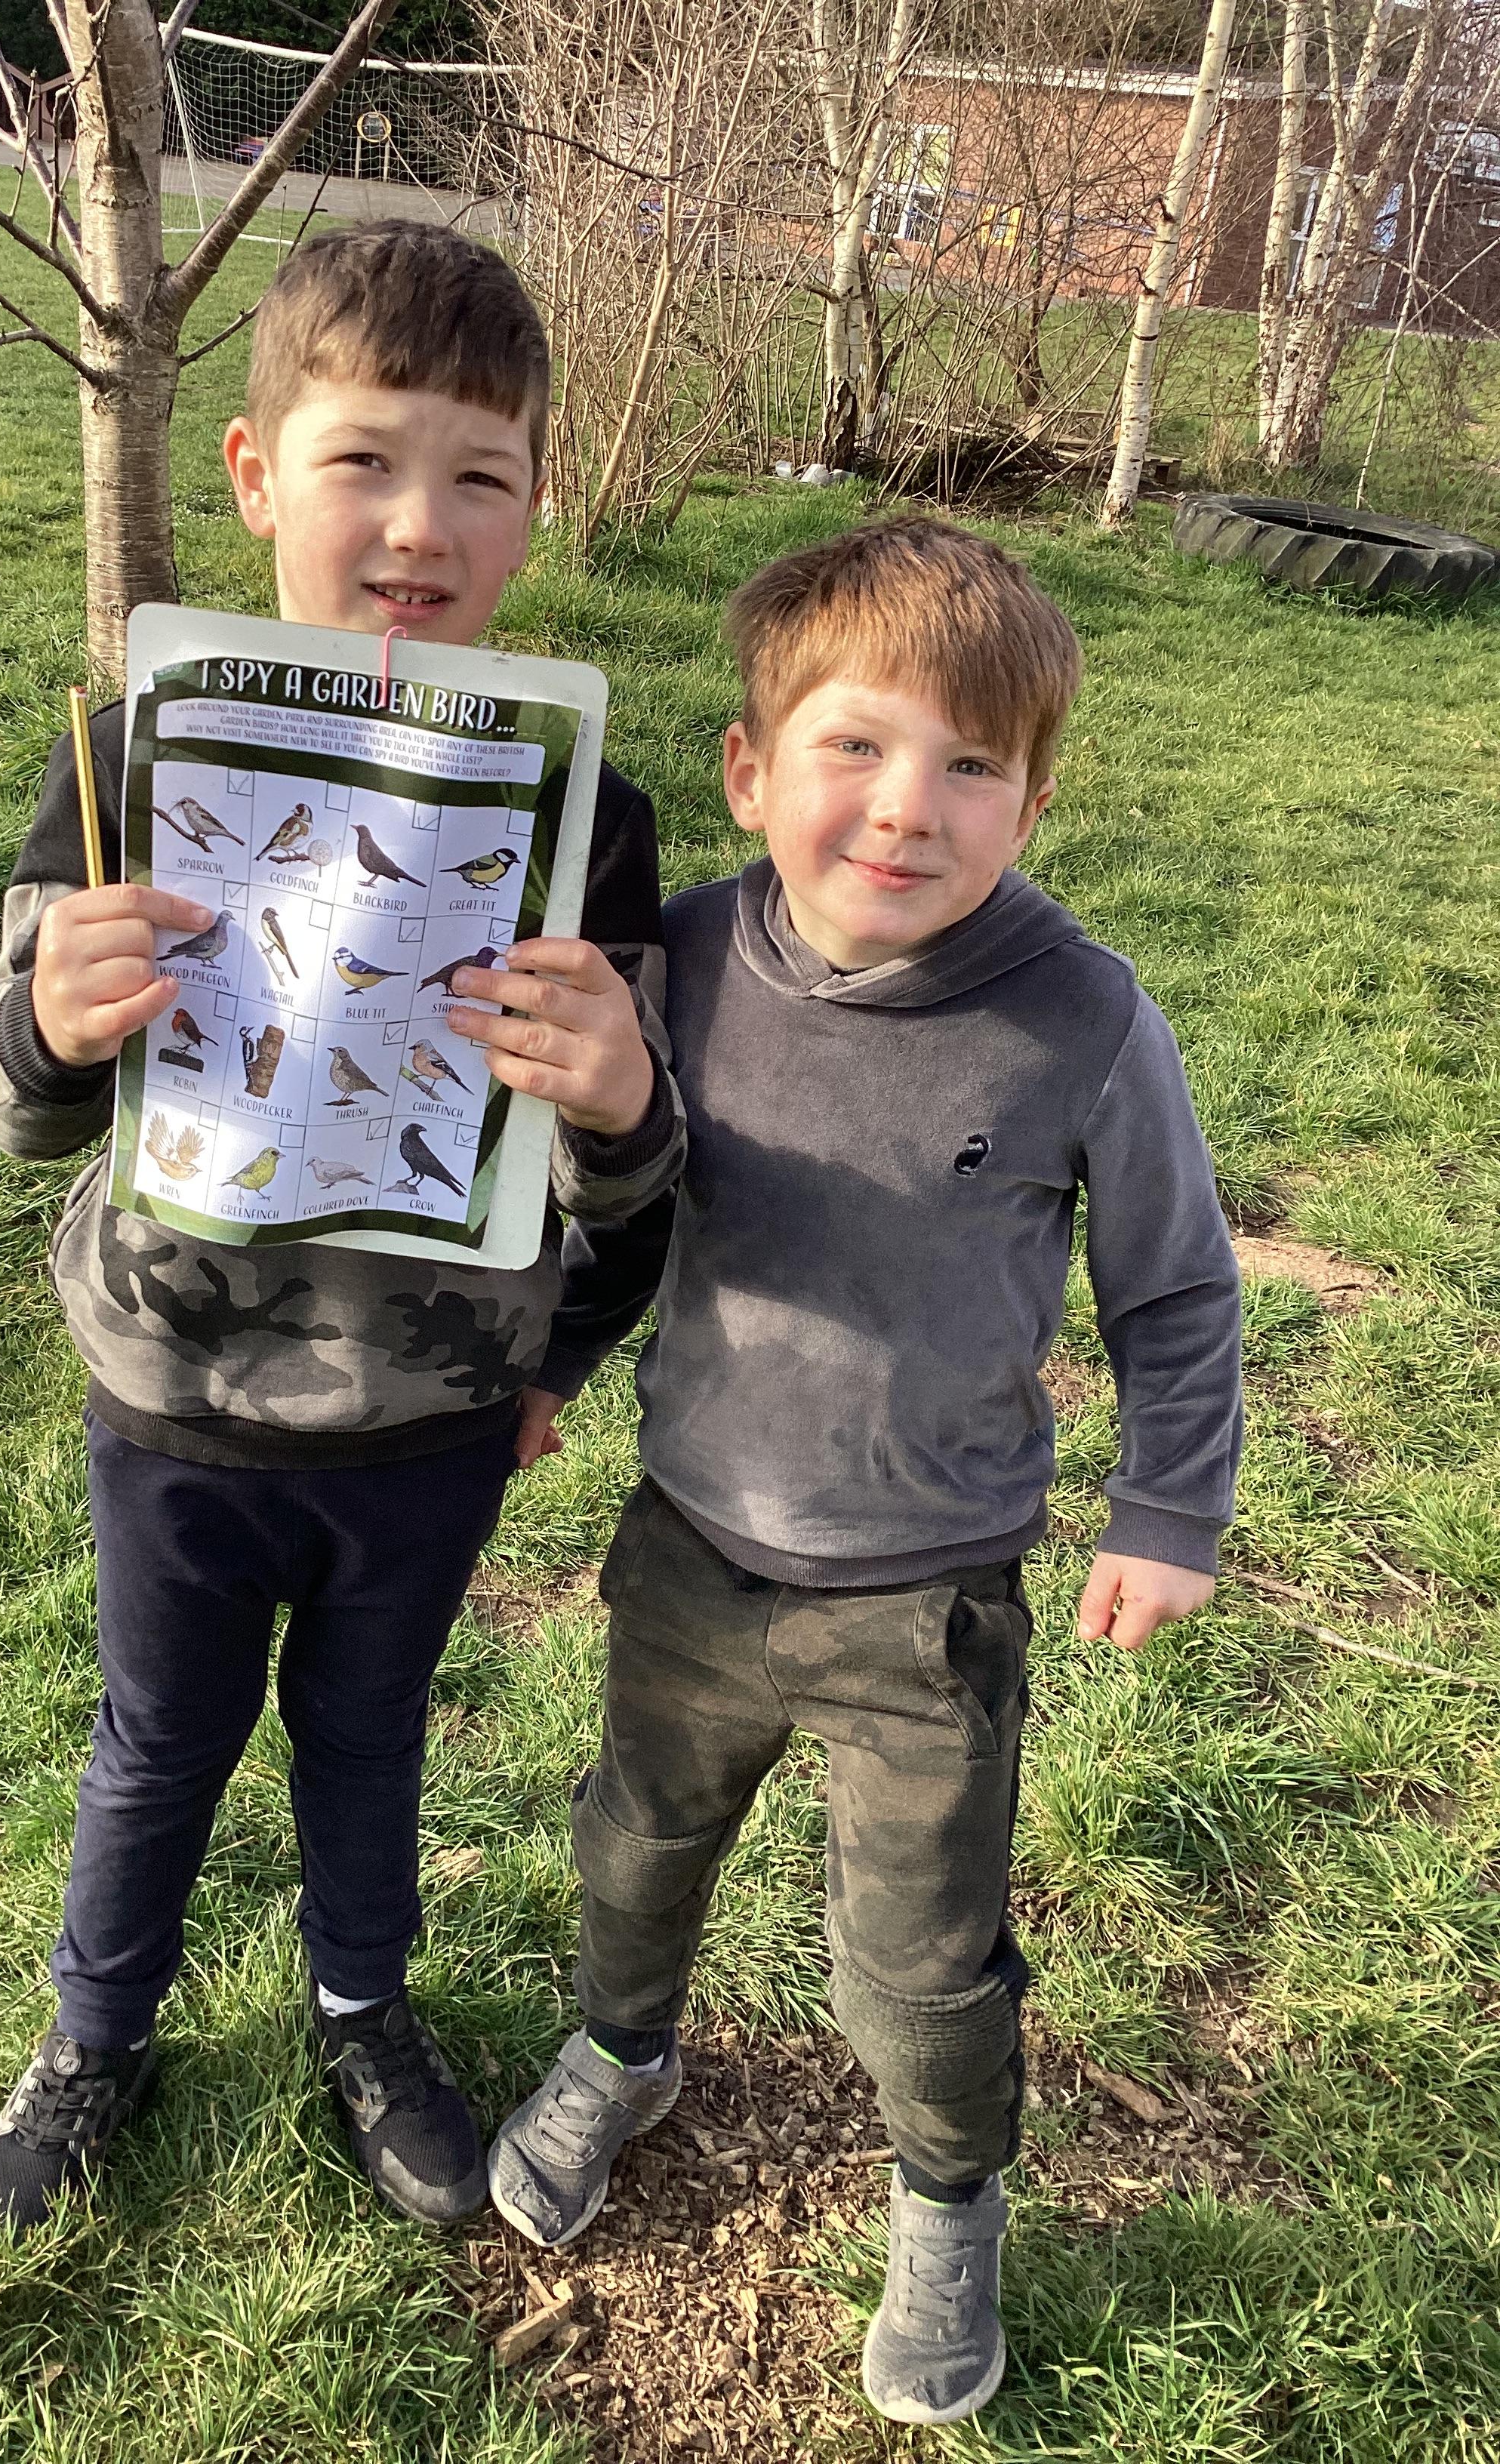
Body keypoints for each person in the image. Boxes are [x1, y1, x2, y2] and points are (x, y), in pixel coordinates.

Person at [467, 518, 1243, 2425]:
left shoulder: (1084, 1019)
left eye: (972, 765)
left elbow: (1174, 1283)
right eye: (857, 747)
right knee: (634, 1840)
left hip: (927, 1595)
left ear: (1034, 804)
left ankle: (948, 2193)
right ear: (751, 771)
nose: (908, 808)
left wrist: (1168, 1509)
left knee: (917, 1953)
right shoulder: (684, 964)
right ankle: (624, 2048)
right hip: (692, 1543)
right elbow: (625, 1203)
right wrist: (553, 1360)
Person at [0, 221, 682, 2240]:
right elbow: (9, 1109)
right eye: (364, 459)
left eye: (482, 474)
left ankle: (365, 2016)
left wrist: (613, 1128)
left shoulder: (588, 819)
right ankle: (96, 2034)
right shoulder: (133, 762)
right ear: (258, 472)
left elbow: (633, 1182)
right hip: (173, 1398)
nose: (420, 524)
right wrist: (49, 1022)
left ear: (537, 503)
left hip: (427, 1419)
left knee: (368, 1740)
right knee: (156, 1743)